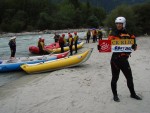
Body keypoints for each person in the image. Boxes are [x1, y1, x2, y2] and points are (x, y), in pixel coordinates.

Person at [108, 17, 142, 102]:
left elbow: (133, 42)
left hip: (124, 60)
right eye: (117, 24)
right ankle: (115, 96)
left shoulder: (129, 34)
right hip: (115, 60)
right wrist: (102, 46)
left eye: (120, 23)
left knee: (130, 78)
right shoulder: (113, 34)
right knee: (115, 78)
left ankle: (133, 94)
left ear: (124, 24)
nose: (118, 25)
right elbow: (108, 45)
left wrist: (134, 45)